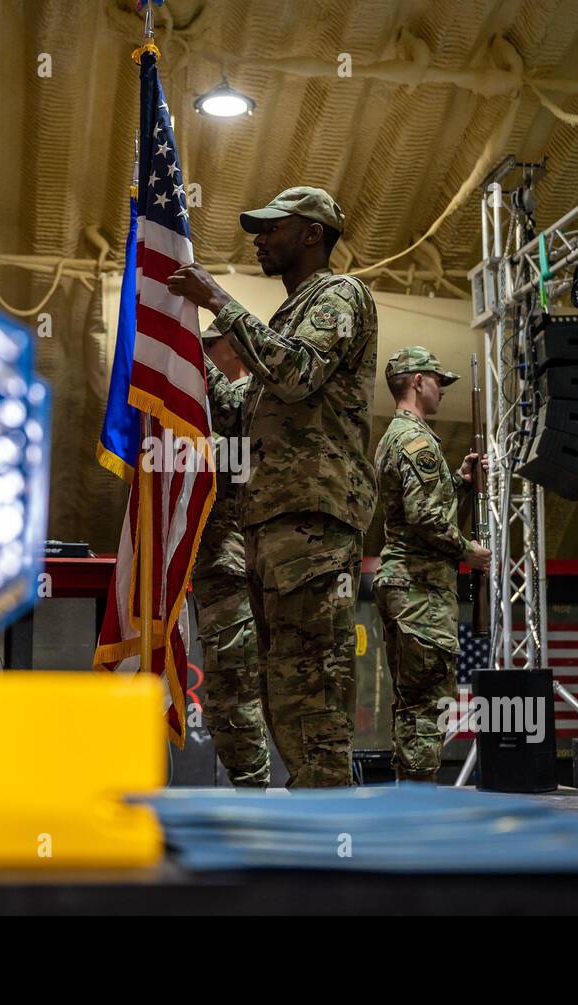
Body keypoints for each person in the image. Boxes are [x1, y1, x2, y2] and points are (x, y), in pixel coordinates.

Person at [166, 186, 377, 788]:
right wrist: (185, 348)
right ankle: (313, 810)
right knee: (285, 684)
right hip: (273, 526)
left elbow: (296, 372)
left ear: (312, 234)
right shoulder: (289, 314)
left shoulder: (341, 295)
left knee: (314, 685)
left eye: (272, 229)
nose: (259, 239)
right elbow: (239, 409)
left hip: (311, 522)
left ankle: (328, 820)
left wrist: (219, 301)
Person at [374, 348, 490, 782]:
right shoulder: (416, 441)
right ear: (418, 381)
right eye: (438, 381)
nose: (442, 390)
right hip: (419, 590)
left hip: (407, 586)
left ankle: (410, 794)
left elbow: (419, 510)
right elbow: (425, 519)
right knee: (426, 706)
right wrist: (468, 552)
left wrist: (457, 484)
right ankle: (419, 796)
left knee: (412, 703)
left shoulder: (399, 436)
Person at [190, 327, 270, 787]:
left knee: (235, 687)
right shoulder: (211, 413)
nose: (202, 354)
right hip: (221, 567)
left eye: (208, 346)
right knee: (228, 688)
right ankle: (250, 786)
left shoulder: (251, 400)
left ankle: (254, 788)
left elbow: (238, 441)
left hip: (237, 565)